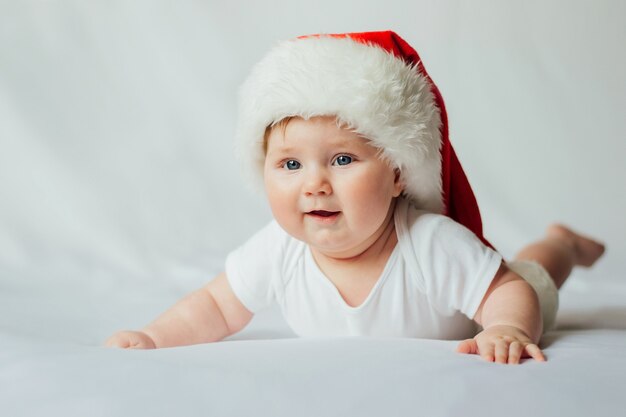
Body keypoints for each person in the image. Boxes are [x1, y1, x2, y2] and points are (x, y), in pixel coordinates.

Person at [105, 31, 605, 364]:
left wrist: (510, 329)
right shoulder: (279, 250)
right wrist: (154, 338)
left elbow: (504, 292)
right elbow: (215, 305)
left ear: (397, 175)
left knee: (532, 275)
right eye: (290, 164)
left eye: (342, 160)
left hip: (483, 306)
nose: (314, 184)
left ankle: (561, 244)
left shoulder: (429, 242)